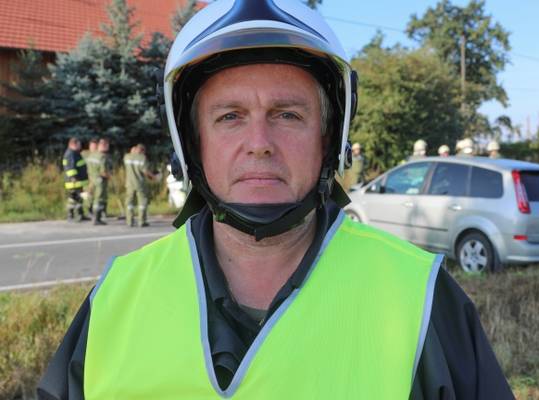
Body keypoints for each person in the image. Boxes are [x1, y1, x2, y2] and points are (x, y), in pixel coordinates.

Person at [38, 1, 514, 399]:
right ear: (193, 142)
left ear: (329, 138)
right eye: (230, 116)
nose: (260, 143)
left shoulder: (421, 297)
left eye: (287, 114)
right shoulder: (116, 298)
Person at [124, 144, 157, 227]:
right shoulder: (142, 158)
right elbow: (145, 171)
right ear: (143, 151)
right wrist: (153, 177)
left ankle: (129, 221)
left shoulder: (127, 157)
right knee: (142, 202)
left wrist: (132, 152)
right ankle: (141, 221)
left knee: (130, 202)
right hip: (140, 184)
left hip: (129, 184)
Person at [61, 137, 88, 222]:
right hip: (74, 181)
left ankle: (80, 214)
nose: (80, 146)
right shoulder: (70, 154)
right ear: (73, 144)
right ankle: (72, 215)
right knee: (75, 198)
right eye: (79, 144)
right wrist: (73, 177)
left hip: (78, 181)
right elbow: (70, 168)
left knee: (77, 198)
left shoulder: (75, 153)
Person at [86, 138, 111, 225]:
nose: (108, 147)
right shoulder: (102, 156)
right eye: (107, 146)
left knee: (93, 198)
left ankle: (93, 215)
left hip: (92, 179)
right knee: (99, 199)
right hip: (100, 181)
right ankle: (97, 218)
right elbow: (103, 172)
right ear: (104, 146)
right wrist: (109, 176)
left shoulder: (92, 155)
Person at [82, 138, 98, 217]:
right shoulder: (84, 154)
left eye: (95, 146)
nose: (94, 148)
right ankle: (87, 210)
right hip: (85, 177)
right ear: (89, 146)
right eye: (92, 146)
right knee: (87, 193)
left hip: (95, 177)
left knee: (95, 194)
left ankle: (94, 210)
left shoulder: (98, 155)